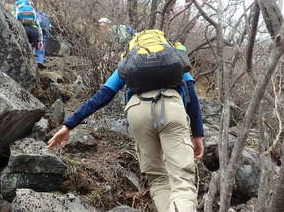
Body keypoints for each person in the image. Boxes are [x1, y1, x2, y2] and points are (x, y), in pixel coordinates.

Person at [47, 30, 204, 212]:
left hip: (137, 112)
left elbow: (103, 95)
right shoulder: (174, 57)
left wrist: (69, 124)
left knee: (159, 179)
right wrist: (198, 133)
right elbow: (191, 93)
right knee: (182, 181)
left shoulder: (130, 61)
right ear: (162, 41)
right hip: (171, 107)